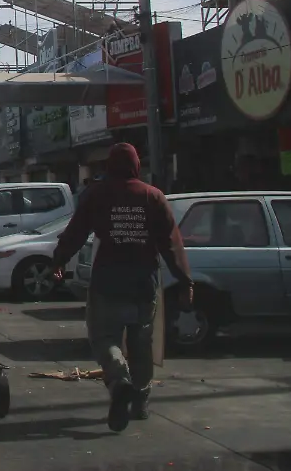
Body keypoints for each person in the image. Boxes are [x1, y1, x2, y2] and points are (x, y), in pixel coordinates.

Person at [49, 142, 194, 433]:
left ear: (109, 166)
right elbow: (171, 243)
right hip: (143, 283)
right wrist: (185, 280)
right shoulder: (153, 196)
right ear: (136, 165)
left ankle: (118, 380)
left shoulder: (97, 194)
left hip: (108, 281)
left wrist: (59, 259)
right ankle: (140, 402)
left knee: (104, 338)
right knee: (141, 344)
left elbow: (76, 231)